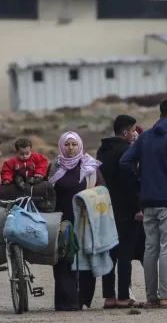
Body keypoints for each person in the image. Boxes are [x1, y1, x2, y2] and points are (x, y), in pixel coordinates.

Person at [120, 97, 167, 309]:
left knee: (151, 249)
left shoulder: (145, 137)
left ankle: (152, 297)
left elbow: (125, 161)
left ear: (160, 114)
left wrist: (140, 181)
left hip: (148, 202)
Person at [47, 131, 104, 311]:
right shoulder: (54, 166)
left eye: (73, 144)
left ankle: (82, 299)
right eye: (67, 144)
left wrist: (88, 198)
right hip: (61, 222)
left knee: (85, 260)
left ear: (79, 145)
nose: (70, 148)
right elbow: (47, 191)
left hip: (85, 221)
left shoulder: (90, 166)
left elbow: (102, 191)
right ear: (61, 146)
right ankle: (65, 302)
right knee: (63, 260)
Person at [97, 114, 143, 309]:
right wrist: (138, 207)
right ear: (125, 132)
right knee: (125, 254)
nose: (134, 134)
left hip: (105, 208)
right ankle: (124, 296)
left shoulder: (102, 150)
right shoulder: (126, 151)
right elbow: (130, 182)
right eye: (133, 130)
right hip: (126, 209)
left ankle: (109, 297)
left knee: (110, 253)